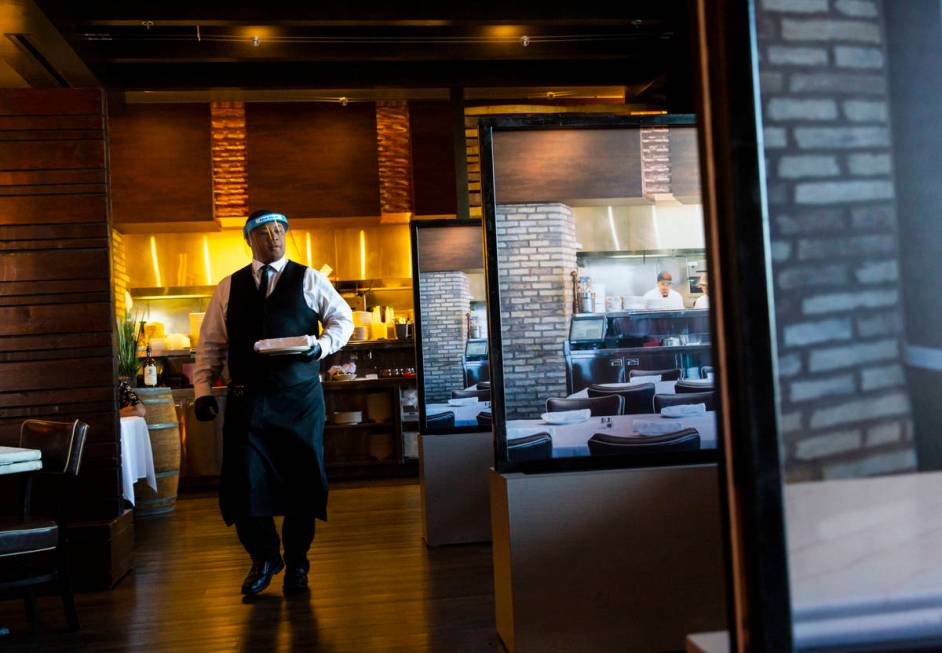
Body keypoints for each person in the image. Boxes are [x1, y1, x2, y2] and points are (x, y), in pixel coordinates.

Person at [192, 209, 353, 596]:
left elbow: (342, 320)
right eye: (264, 232)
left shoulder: (310, 278)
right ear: (249, 240)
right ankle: (264, 557)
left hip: (299, 401)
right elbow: (211, 344)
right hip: (248, 401)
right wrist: (202, 390)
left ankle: (297, 563)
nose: (274, 237)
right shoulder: (228, 287)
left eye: (280, 230)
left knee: (302, 485)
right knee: (245, 485)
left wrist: (321, 346)